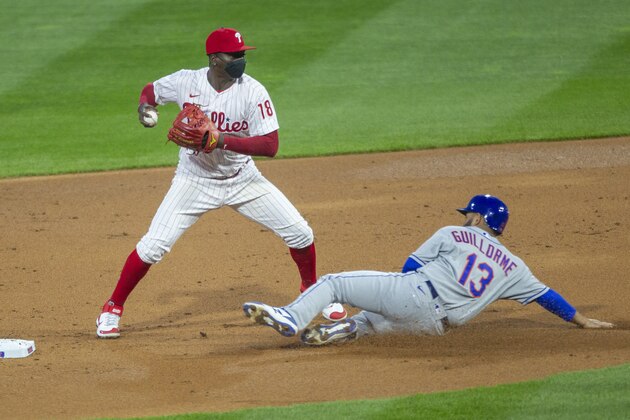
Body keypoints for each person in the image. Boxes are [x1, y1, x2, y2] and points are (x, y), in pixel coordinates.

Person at [96, 27, 346, 338]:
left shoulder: (253, 91)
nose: (242, 60)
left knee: (300, 232)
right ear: (215, 59)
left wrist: (222, 140)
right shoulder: (187, 81)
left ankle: (311, 289)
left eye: (243, 54)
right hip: (194, 180)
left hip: (243, 178)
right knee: (153, 246)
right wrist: (145, 107)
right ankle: (112, 307)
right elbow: (151, 90)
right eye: (235, 55)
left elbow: (271, 145)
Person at [243, 194, 614, 345]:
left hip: (416, 294)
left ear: (480, 218)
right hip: (434, 328)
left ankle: (291, 318)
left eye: (470, 212)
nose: (465, 216)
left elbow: (409, 268)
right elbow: (547, 297)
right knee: (375, 320)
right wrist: (582, 321)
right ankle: (347, 329)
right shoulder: (515, 267)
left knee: (335, 283)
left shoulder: (454, 232)